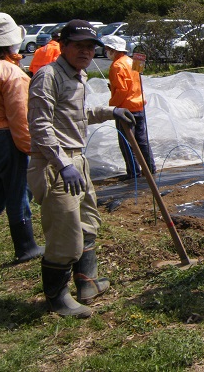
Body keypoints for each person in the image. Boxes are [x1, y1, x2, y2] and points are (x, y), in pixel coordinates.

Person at [27, 20, 136, 318]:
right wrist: (62, 164)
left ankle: (87, 282)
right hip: (55, 164)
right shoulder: (47, 76)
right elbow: (39, 126)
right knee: (65, 234)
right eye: (79, 46)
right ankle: (57, 298)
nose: (86, 52)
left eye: (90, 47)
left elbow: (77, 113)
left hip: (78, 161)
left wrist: (109, 111)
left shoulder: (78, 75)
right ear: (63, 46)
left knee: (88, 223)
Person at [0, 13, 44, 265]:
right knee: (17, 191)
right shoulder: (10, 73)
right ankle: (26, 246)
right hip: (5, 138)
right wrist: (29, 148)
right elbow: (19, 116)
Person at [102, 35, 156, 180]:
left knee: (127, 143)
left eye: (107, 49)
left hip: (125, 108)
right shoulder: (132, 61)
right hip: (139, 105)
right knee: (142, 140)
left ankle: (134, 173)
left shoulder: (117, 66)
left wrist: (113, 104)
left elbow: (122, 90)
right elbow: (136, 83)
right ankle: (150, 168)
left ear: (113, 50)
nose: (106, 52)